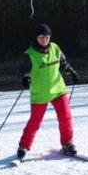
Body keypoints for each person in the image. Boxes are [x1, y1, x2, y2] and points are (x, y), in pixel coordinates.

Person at [16, 23, 80, 161]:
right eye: (41, 37)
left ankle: (67, 143)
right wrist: (25, 77)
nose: (44, 39)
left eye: (46, 37)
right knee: (35, 122)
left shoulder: (55, 48)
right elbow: (23, 69)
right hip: (40, 93)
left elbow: (63, 63)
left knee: (65, 116)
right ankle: (24, 146)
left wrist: (72, 72)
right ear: (37, 38)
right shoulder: (30, 54)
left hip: (58, 90)